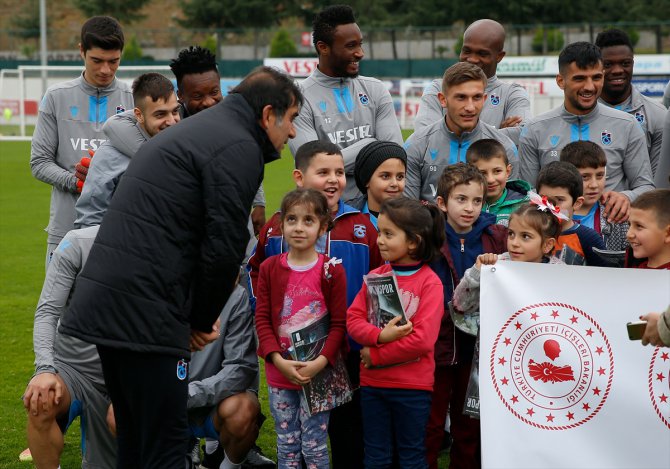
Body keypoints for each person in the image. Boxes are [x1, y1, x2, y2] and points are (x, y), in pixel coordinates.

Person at [58, 66, 303, 468]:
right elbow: (224, 245)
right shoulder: (238, 145)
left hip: (113, 305)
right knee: (166, 444)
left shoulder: (204, 132)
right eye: (291, 119)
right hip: (147, 312)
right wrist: (200, 321)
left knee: (136, 440)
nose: (292, 133)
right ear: (268, 114)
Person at [247, 140, 382, 468]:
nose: (334, 179)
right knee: (291, 436)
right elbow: (256, 271)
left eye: (339, 172)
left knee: (344, 432)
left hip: (344, 350)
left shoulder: (361, 227)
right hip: (288, 355)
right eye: (323, 172)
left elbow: (379, 279)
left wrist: (372, 334)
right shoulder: (279, 227)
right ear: (299, 177)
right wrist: (265, 324)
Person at [347, 197, 445, 468]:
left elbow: (423, 340)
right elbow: (353, 318)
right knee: (376, 456)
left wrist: (376, 355)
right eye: (380, 232)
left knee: (412, 456)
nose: (379, 239)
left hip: (413, 389)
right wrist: (379, 336)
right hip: (373, 387)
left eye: (388, 234)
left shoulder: (430, 283)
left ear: (413, 242)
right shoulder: (377, 275)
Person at [30, 16, 133, 269]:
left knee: (114, 308)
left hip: (120, 231)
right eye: (97, 60)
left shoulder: (135, 99)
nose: (105, 70)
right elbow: (39, 162)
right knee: (61, 306)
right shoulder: (56, 97)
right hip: (65, 229)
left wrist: (108, 178)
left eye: (113, 61)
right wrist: (76, 181)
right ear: (81, 51)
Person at [255, 188, 348, 469]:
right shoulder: (270, 268)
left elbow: (338, 324)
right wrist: (277, 360)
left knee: (315, 445)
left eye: (308, 220)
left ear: (323, 226)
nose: (298, 227)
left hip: (318, 375)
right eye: (292, 219)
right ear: (281, 224)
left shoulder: (331, 270)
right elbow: (262, 319)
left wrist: (320, 362)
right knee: (287, 445)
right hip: (280, 373)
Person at [426, 162, 507, 469]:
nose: (470, 208)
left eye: (477, 201)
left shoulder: (495, 237)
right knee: (430, 425)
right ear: (442, 203)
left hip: (477, 349)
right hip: (436, 345)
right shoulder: (429, 237)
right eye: (461, 199)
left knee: (469, 424)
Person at [519, 41, 654, 224]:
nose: (590, 87)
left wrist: (626, 197)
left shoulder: (627, 125)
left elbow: (645, 186)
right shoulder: (535, 129)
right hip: (555, 238)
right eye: (580, 78)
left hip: (612, 237)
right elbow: (527, 194)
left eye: (596, 77)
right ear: (561, 81)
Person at [22, 225, 117, 469]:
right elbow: (47, 311)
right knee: (41, 400)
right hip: (73, 369)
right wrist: (44, 368)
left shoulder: (159, 245)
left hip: (126, 374)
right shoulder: (78, 242)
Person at [288, 4, 403, 204]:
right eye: (351, 46)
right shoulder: (297, 98)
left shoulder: (376, 90)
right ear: (323, 47)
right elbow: (313, 168)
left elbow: (393, 158)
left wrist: (335, 162)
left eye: (360, 44)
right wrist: (371, 144)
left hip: (376, 213)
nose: (360, 53)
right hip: (326, 214)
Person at [170, 45, 267, 236]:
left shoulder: (236, 120)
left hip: (234, 217)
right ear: (180, 95)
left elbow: (248, 162)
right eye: (197, 96)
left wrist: (259, 203)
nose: (208, 102)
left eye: (214, 92)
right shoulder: (171, 126)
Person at [451, 196, 565, 340]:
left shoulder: (561, 274)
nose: (514, 243)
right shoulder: (495, 265)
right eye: (511, 234)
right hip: (498, 346)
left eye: (525, 236)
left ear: (547, 244)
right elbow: (460, 305)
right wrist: (478, 272)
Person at [74, 72, 180, 228]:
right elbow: (90, 219)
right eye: (160, 114)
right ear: (139, 115)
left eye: (175, 111)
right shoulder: (109, 156)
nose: (172, 121)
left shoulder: (183, 145)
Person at [404, 62, 519, 202]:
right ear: (443, 100)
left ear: (484, 99)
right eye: (461, 97)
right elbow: (408, 211)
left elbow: (510, 209)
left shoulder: (505, 147)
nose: (470, 107)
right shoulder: (416, 146)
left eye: (476, 97)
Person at [414, 19, 530, 143]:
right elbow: (424, 136)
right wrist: (497, 136)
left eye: (482, 54)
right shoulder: (438, 88)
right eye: (467, 51)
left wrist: (456, 137)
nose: (472, 59)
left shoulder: (513, 94)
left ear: (499, 56)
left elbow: (524, 134)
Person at [595, 29, 666, 177]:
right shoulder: (583, 112)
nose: (617, 70)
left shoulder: (658, 114)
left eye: (625, 63)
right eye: (608, 65)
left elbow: (657, 176)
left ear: (633, 63)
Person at [559, 141, 629, 251]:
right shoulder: (550, 215)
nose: (594, 185)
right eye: (585, 177)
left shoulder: (615, 214)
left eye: (600, 176)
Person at [536, 161, 608, 266]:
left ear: (577, 203)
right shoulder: (530, 232)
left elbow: (605, 275)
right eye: (544, 199)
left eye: (559, 199)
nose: (549, 206)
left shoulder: (588, 238)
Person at [465, 138, 530, 227]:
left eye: (497, 171)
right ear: (469, 175)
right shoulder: (464, 207)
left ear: (507, 171)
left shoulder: (524, 207)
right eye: (482, 173)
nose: (490, 180)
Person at [352, 140, 408, 228]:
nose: (394, 183)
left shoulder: (413, 220)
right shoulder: (346, 216)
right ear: (367, 180)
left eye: (400, 177)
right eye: (385, 176)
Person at [625, 189, 670, 269]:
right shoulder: (633, 268)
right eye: (629, 225)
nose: (629, 234)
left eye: (639, 226)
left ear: (668, 234)